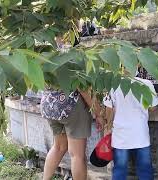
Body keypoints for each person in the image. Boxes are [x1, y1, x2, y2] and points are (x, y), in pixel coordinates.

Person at [41, 33, 104, 180]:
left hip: (50, 107)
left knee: (58, 147)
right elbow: (83, 89)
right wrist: (98, 113)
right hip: (70, 107)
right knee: (77, 155)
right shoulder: (73, 56)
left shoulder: (46, 56)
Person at [103, 77, 158, 180]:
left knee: (119, 170)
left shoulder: (112, 84)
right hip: (140, 135)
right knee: (145, 170)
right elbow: (153, 107)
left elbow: (109, 110)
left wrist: (108, 128)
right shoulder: (146, 83)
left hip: (120, 137)